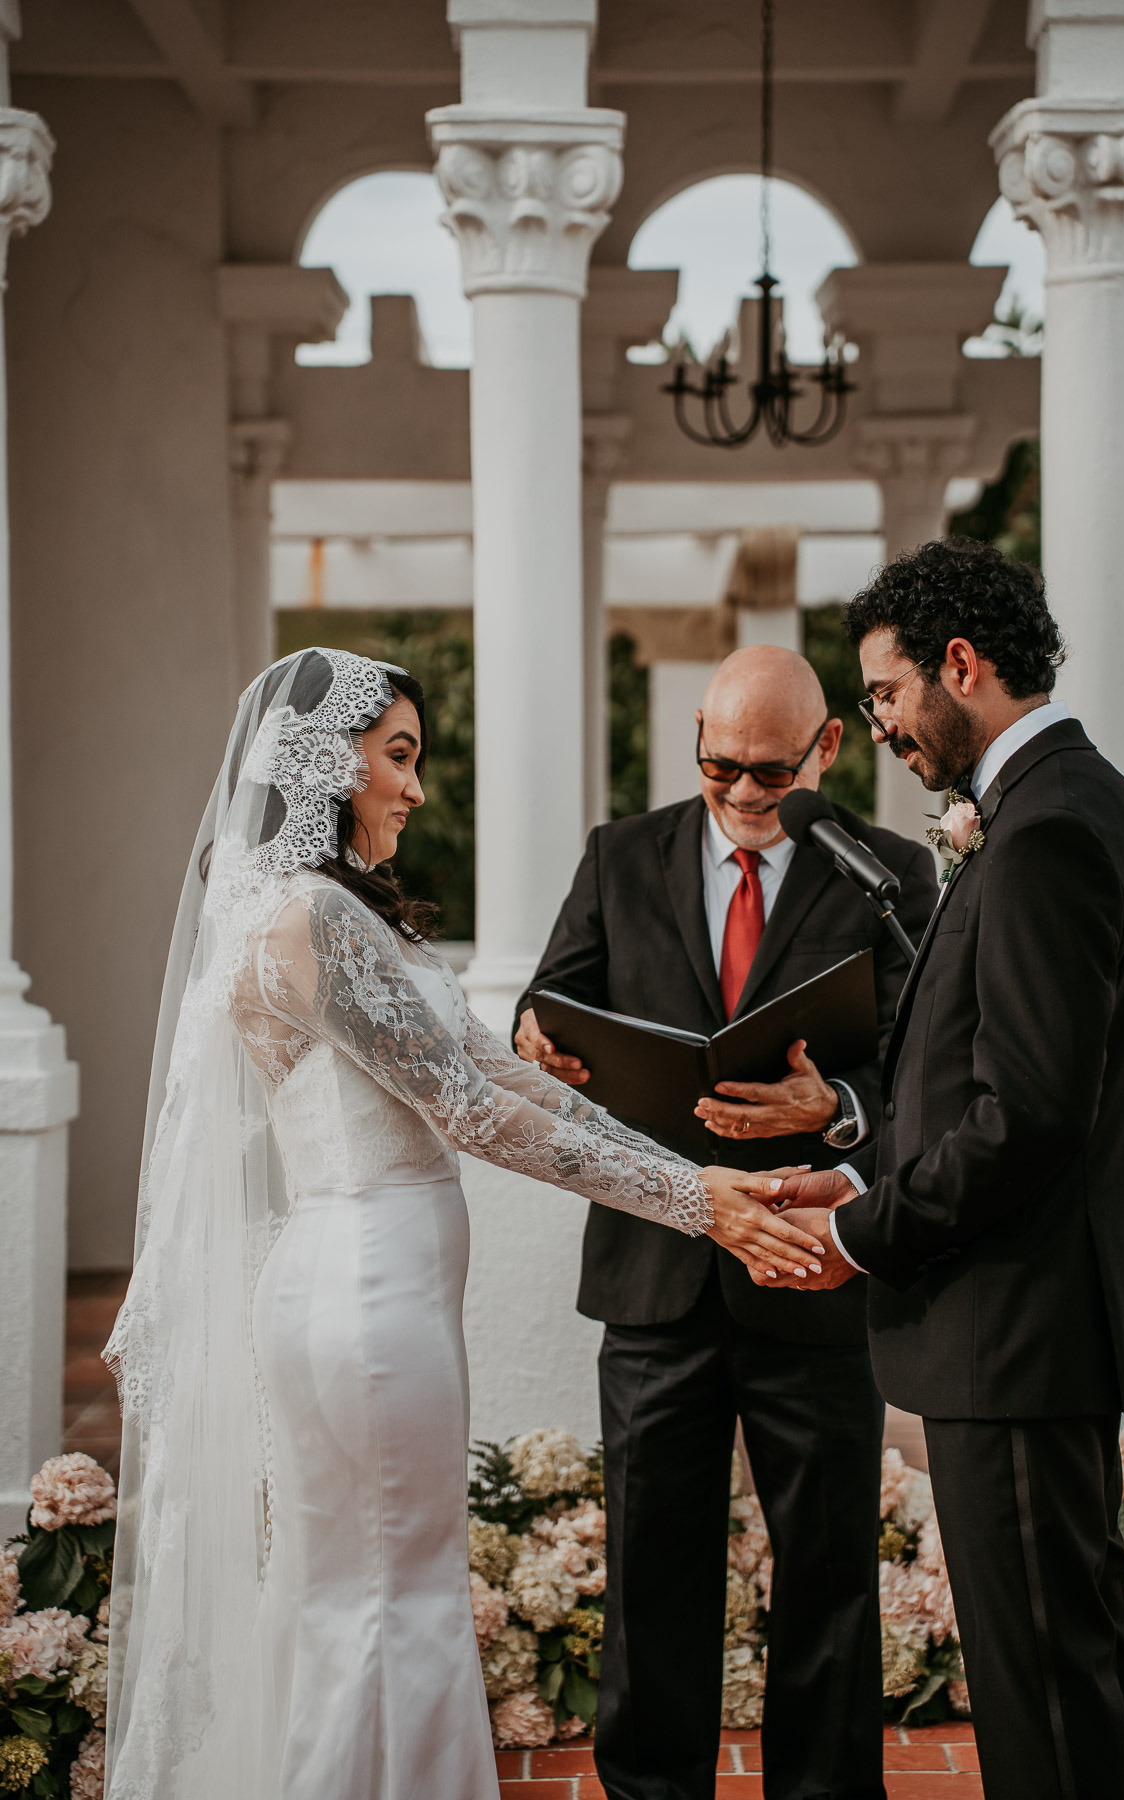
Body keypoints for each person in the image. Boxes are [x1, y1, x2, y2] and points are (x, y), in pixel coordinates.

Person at [102, 648, 823, 1800]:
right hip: (361, 1297)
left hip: (379, 1294)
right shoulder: (307, 921)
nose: (416, 787)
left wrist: (698, 1180)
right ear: (325, 760)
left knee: (372, 1587)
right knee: (391, 1595)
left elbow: (505, 1073)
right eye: (398, 757)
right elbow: (471, 1113)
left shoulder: (352, 916)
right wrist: (699, 1207)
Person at [773, 539, 1124, 1800]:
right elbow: (977, 1084)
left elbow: (1030, 1117)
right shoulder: (1063, 801)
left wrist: (859, 1235)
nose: (879, 724)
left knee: (1043, 1692)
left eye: (886, 692)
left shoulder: (1047, 827)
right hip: (1029, 1328)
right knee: (1075, 1672)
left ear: (961, 664)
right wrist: (863, 1176)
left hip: (1015, 1329)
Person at [514, 646, 938, 1800]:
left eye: (772, 771)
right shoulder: (620, 855)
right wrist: (535, 1037)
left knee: (829, 1577)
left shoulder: (889, 874)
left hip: (813, 1271)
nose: (746, 792)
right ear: (696, 739)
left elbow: (925, 1069)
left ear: (827, 748)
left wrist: (836, 1107)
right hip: (655, 1274)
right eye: (721, 766)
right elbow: (550, 1001)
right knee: (652, 1570)